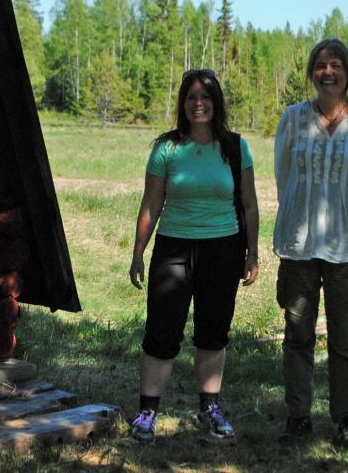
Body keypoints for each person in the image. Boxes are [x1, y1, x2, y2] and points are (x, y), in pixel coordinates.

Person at [128, 68, 259, 443]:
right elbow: (152, 203)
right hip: (173, 248)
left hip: (224, 249)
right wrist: (138, 252)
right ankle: (147, 414)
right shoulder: (166, 147)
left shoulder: (236, 147)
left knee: (213, 333)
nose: (198, 104)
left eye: (206, 97)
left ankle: (210, 409)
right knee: (161, 332)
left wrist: (253, 253)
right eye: (191, 98)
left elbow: (249, 204)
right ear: (182, 104)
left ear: (217, 103)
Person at [273, 38, 348, 450]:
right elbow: (283, 174)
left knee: (344, 340)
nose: (328, 71)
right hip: (300, 246)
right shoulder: (292, 118)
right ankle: (298, 417)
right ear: (312, 72)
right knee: (297, 336)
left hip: (345, 248)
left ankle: (347, 419)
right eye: (320, 64)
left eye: (336, 64)